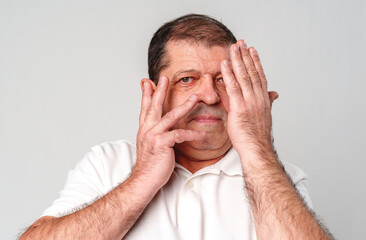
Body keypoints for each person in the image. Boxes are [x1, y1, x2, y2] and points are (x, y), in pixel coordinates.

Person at [20, 14, 333, 240]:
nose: (210, 96)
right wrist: (142, 178)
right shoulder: (107, 162)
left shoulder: (276, 175)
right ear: (155, 91)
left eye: (224, 80)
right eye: (188, 79)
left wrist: (256, 145)